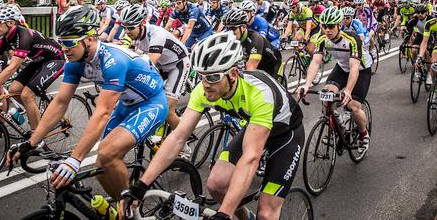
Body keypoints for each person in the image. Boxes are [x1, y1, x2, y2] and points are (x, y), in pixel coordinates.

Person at [122, 31, 304, 220]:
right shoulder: (203, 89)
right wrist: (142, 185)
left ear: (233, 74)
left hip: (285, 136)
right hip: (254, 127)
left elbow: (250, 158)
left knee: (266, 213)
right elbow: (177, 138)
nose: (205, 84)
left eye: (213, 77)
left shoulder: (260, 94)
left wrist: (223, 213)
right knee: (216, 185)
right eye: (201, 76)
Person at [8, 5, 167, 201]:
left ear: (89, 39)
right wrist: (31, 142)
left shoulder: (113, 60)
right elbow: (60, 102)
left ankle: (130, 207)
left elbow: (102, 112)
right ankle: (122, 206)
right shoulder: (74, 62)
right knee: (101, 164)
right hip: (127, 105)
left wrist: (75, 159)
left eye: (69, 43)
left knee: (107, 153)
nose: (64, 49)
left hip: (152, 103)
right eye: (61, 43)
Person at [0, 4, 65, 130]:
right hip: (38, 61)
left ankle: (37, 139)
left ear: (10, 22)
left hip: (55, 59)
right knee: (13, 90)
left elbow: (13, 66)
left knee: (27, 95)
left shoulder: (24, 35)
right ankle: (35, 114)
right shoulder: (3, 39)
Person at [301, 7, 372, 153]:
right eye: (324, 26)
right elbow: (315, 63)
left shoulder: (352, 38)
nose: (327, 30)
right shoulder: (322, 39)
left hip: (360, 70)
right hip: (341, 68)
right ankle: (338, 122)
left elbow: (354, 67)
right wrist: (306, 85)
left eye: (331, 26)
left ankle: (364, 134)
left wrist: (347, 91)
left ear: (339, 25)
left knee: (352, 106)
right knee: (327, 95)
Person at [120, 4, 190, 133]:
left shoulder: (156, 34)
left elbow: (148, 65)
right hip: (163, 64)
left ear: (142, 23)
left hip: (178, 64)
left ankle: (183, 145)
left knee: (168, 111)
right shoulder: (133, 35)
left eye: (130, 27)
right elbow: (127, 59)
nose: (126, 31)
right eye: (124, 27)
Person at [222, 8, 283, 81]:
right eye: (227, 28)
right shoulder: (233, 37)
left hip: (270, 64)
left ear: (244, 27)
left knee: (266, 87)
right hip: (250, 59)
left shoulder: (255, 39)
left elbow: (250, 69)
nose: (229, 32)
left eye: (232, 28)